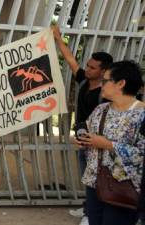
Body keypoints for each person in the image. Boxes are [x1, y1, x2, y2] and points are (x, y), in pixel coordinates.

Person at [52, 25, 113, 225]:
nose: (87, 69)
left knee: (99, 179)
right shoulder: (85, 81)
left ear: (104, 71)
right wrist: (58, 39)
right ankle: (89, 207)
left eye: (92, 67)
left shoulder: (107, 93)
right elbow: (70, 60)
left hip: (98, 142)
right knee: (88, 177)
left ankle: (92, 214)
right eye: (87, 65)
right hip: (83, 139)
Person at [76, 60, 145, 225]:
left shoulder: (141, 115)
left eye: (105, 81)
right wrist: (82, 141)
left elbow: (142, 155)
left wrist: (108, 144)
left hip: (124, 187)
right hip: (95, 182)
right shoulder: (101, 109)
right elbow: (89, 134)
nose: (101, 84)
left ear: (121, 83)